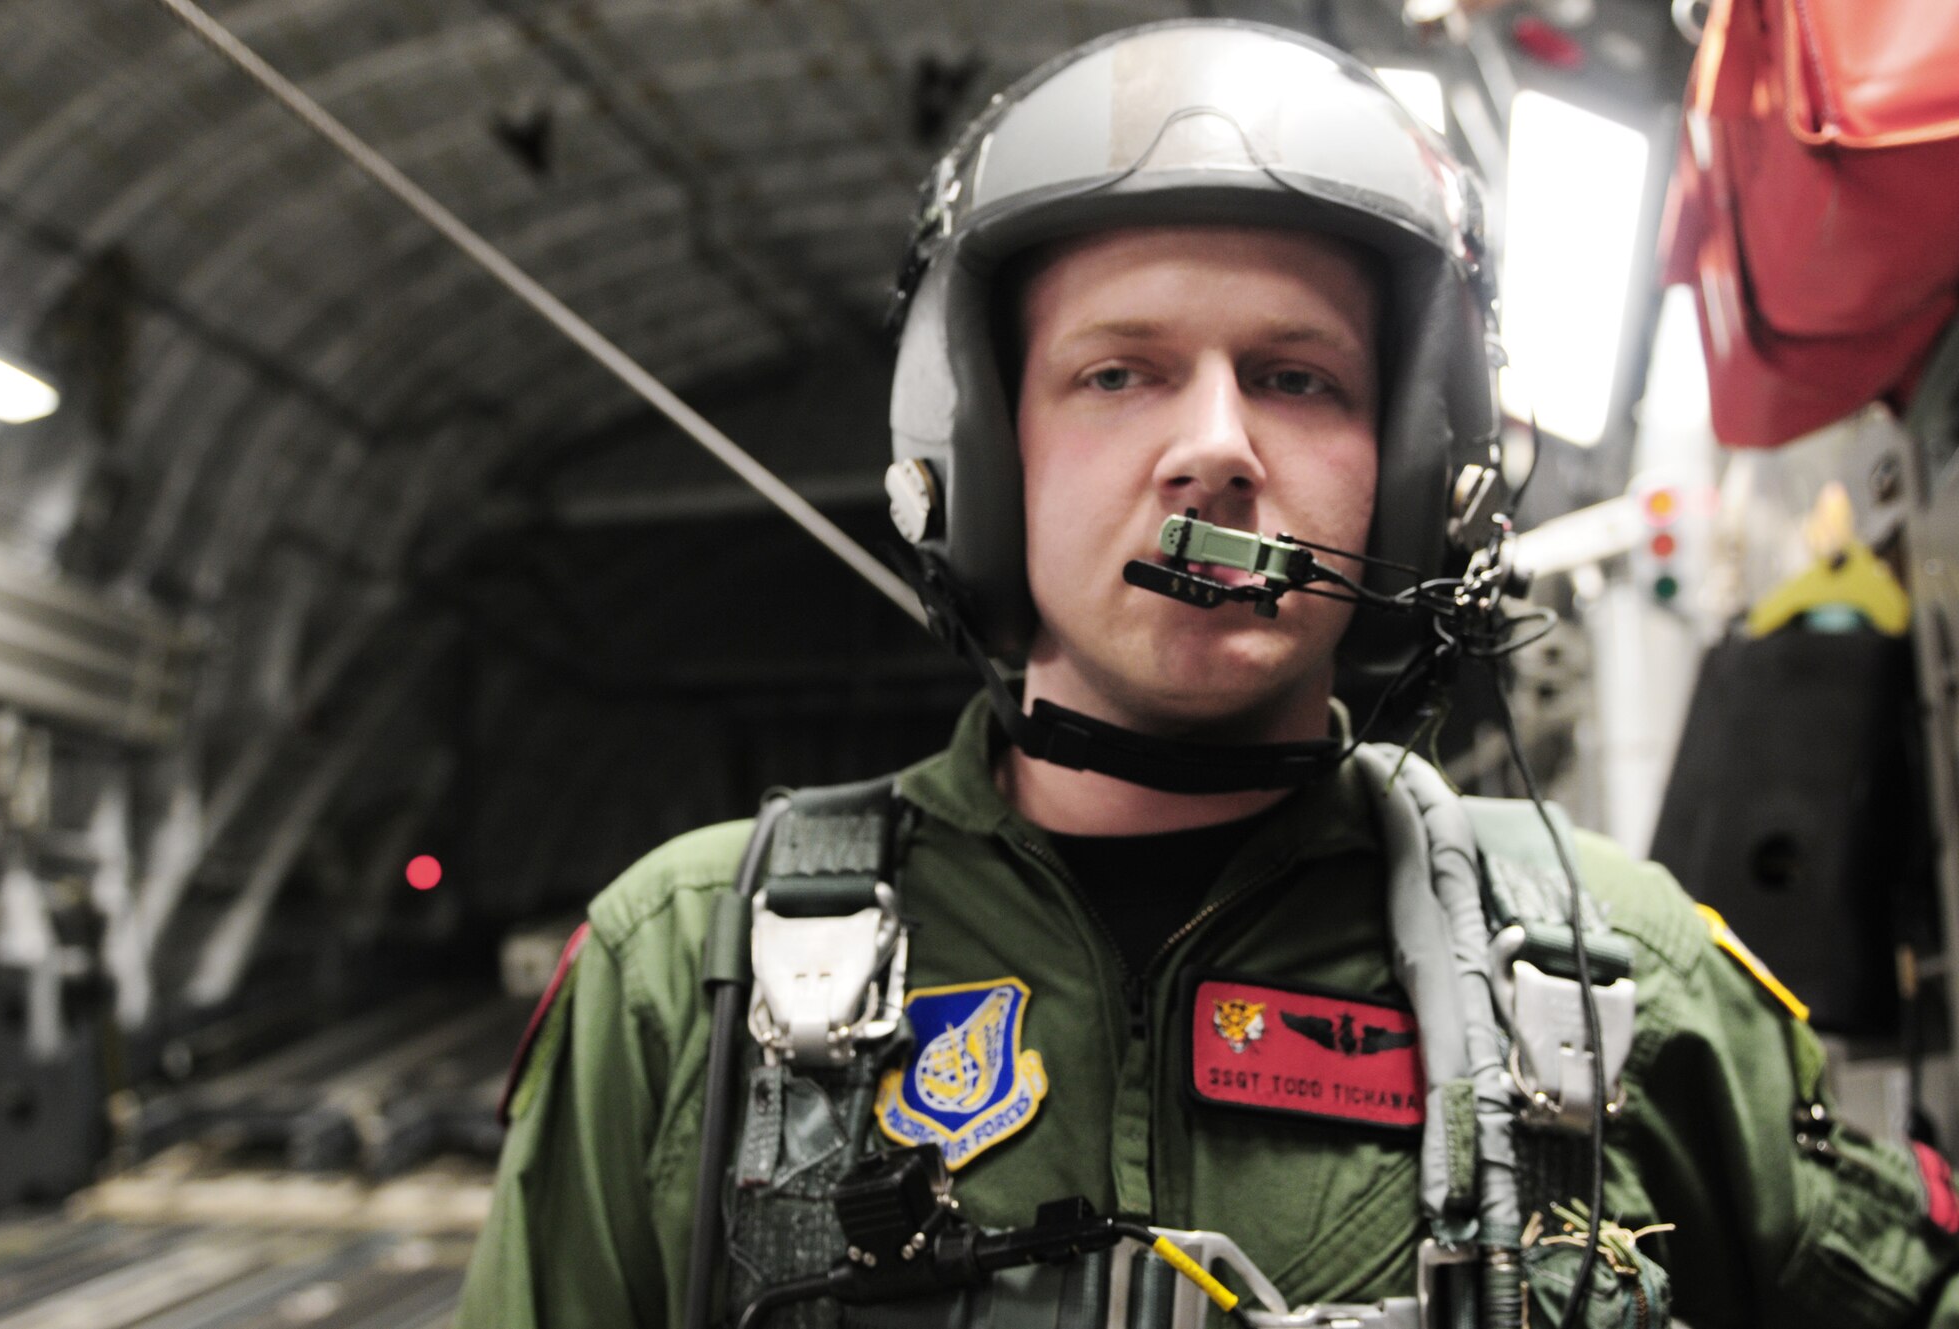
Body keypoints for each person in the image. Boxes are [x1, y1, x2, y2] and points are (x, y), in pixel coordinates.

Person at [456, 20, 1959, 1329]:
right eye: (1119, 372)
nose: (1217, 447)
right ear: (987, 460)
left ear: (1420, 473)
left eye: (1298, 378)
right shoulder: (685, 974)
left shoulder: (1619, 974)